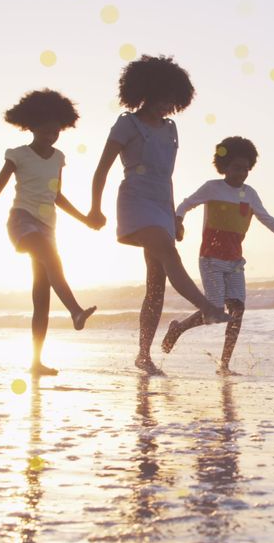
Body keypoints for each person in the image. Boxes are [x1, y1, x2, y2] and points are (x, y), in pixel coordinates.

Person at [86, 55, 230, 376]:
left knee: (156, 286)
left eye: (173, 101)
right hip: (136, 202)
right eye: (164, 98)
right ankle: (206, 306)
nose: (168, 106)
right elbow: (102, 169)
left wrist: (175, 217)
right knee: (168, 252)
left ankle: (143, 355)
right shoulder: (127, 123)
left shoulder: (170, 129)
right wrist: (95, 208)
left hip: (161, 206)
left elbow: (167, 177)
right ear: (148, 92)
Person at [0, 89, 97, 376]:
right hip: (22, 221)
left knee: (41, 296)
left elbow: (57, 196)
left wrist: (84, 219)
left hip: (48, 227)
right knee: (51, 259)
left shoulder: (59, 158)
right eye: (45, 127)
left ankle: (35, 362)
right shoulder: (17, 155)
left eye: (56, 128)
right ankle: (75, 311)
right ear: (31, 126)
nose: (51, 133)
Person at [161, 136, 274, 375]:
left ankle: (224, 365)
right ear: (224, 166)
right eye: (236, 168)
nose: (241, 173)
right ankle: (178, 328)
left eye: (245, 169)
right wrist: (178, 221)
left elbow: (269, 221)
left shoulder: (250, 194)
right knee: (213, 309)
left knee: (237, 309)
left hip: (235, 261)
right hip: (211, 259)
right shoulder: (212, 188)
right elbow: (185, 204)